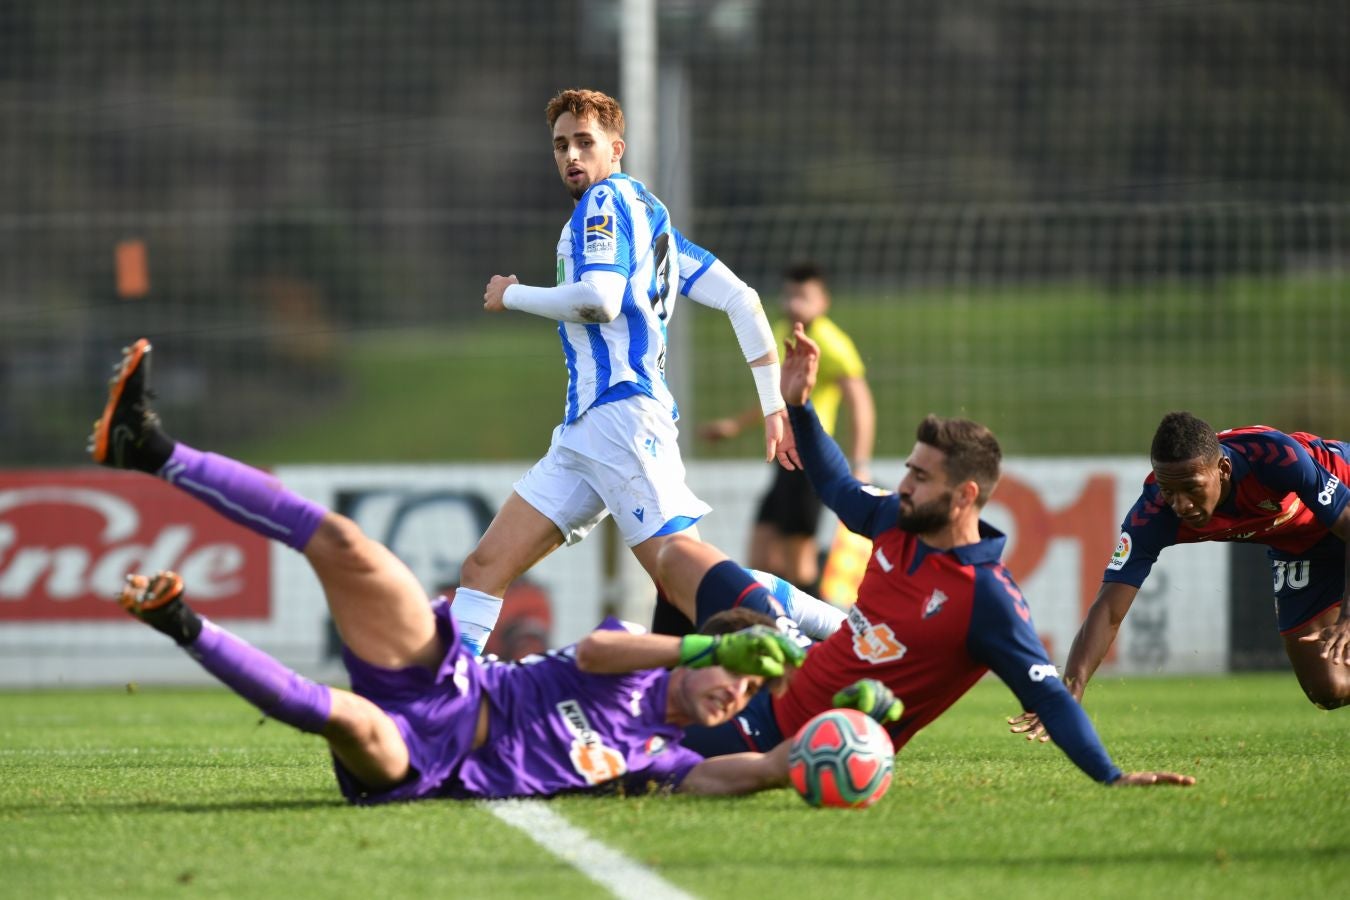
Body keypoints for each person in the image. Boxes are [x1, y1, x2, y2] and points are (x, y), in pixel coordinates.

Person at [89, 339, 809, 802]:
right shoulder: (639, 662)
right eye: (738, 674)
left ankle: (185, 626)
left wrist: (791, 765)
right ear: (708, 653)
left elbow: (722, 774)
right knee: (346, 545)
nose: (736, 693)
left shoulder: (656, 753)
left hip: (431, 762)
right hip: (450, 681)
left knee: (344, 721)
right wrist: (708, 646)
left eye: (748, 687)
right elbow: (596, 649)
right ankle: (149, 448)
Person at [654, 324, 1195, 787]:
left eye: (920, 476)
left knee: (642, 755)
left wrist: (1112, 775)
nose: (904, 483)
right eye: (910, 470)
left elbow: (1050, 698)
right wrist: (799, 407)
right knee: (677, 554)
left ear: (964, 497)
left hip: (793, 728)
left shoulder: (987, 598)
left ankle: (662, 701)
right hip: (797, 659)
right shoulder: (897, 519)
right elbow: (839, 486)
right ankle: (662, 678)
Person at [463, 88, 795, 651]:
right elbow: (744, 299)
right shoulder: (653, 220)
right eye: (561, 145)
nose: (571, 155)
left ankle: (828, 640)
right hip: (584, 432)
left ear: (616, 149)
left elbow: (600, 300)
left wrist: (513, 295)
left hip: (622, 417)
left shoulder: (605, 203)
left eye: (584, 142)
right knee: (483, 567)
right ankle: (450, 708)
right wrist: (771, 402)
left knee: (687, 578)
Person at [1010, 412, 1350, 742]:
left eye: (1191, 488)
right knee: (1327, 688)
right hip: (1299, 546)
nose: (1181, 505)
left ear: (1223, 470)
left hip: (1344, 509)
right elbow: (1109, 608)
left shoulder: (1276, 458)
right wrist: (1073, 687)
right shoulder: (1153, 514)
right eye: (1169, 490)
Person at [701, 262, 875, 592]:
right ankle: (772, 632)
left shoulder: (830, 343)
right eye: (790, 295)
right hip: (786, 461)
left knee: (799, 562)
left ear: (824, 302)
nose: (795, 303)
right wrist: (736, 426)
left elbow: (860, 402)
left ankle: (816, 639)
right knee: (762, 556)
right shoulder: (783, 330)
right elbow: (778, 397)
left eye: (804, 296)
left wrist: (860, 463)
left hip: (808, 460)